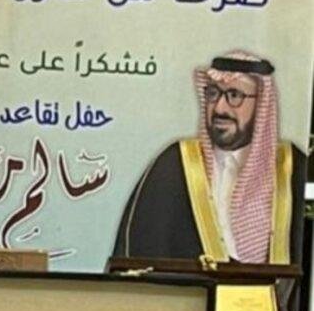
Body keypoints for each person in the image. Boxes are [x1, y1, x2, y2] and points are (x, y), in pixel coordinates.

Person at [113, 52, 306, 266]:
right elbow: (142, 255)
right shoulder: (173, 166)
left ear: (261, 103)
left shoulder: (293, 169)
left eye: (234, 95)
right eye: (213, 93)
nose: (220, 108)